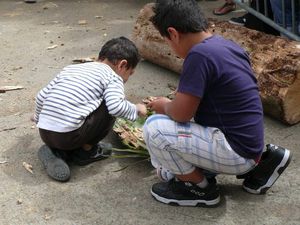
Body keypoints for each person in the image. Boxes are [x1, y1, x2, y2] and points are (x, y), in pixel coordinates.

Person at [142, 0, 292, 207]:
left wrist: (164, 105)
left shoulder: (198, 56)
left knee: (154, 129)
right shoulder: (225, 45)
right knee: (167, 171)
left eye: (167, 40)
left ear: (173, 33)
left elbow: (181, 114)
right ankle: (263, 163)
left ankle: (200, 189)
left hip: (236, 151)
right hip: (249, 146)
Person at [34, 36, 147, 182]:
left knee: (91, 105)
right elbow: (115, 107)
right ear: (122, 65)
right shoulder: (112, 77)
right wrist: (136, 109)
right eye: (130, 73)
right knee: (109, 106)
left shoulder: (71, 68)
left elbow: (41, 96)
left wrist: (38, 118)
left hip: (44, 132)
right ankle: (85, 152)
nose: (127, 79)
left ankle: (58, 153)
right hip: (68, 137)